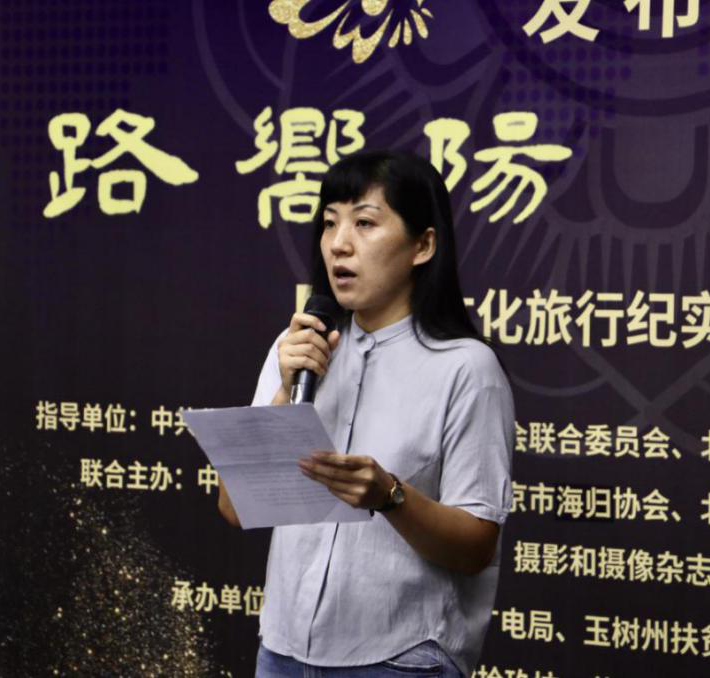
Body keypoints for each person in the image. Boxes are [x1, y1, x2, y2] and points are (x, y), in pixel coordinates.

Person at [218, 150, 514, 677]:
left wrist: (390, 496)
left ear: (423, 245)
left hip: (399, 658)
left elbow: (475, 547)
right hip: (282, 652)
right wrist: (285, 390)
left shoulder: (466, 368)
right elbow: (234, 508)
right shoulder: (299, 347)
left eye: (364, 223)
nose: (339, 243)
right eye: (329, 223)